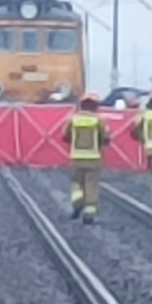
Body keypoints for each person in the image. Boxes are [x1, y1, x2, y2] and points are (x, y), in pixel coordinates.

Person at [63, 93, 110, 224]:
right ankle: (89, 214)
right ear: (95, 106)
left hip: (77, 157)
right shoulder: (99, 120)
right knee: (91, 184)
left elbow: (65, 136)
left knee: (76, 181)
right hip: (94, 158)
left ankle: (77, 199)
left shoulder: (72, 119)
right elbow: (106, 138)